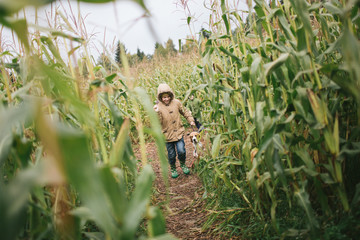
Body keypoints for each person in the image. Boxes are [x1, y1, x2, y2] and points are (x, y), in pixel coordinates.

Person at [153, 83, 196, 178]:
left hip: (179, 132)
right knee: (171, 155)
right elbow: (158, 122)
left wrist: (191, 120)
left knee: (181, 151)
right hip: (167, 136)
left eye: (168, 96)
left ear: (171, 95)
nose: (166, 99)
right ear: (160, 97)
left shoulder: (177, 102)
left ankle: (183, 164)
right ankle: (173, 167)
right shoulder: (158, 107)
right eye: (164, 97)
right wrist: (156, 113)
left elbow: (184, 111)